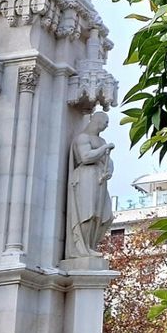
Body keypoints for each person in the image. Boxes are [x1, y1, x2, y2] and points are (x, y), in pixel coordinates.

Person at [66, 110, 115, 258]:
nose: (106, 126)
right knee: (88, 213)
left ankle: (91, 245)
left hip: (99, 179)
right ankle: (83, 247)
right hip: (85, 177)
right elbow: (86, 157)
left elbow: (108, 161)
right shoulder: (82, 138)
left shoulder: (101, 141)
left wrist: (109, 171)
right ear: (98, 121)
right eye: (105, 122)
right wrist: (104, 149)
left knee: (104, 216)